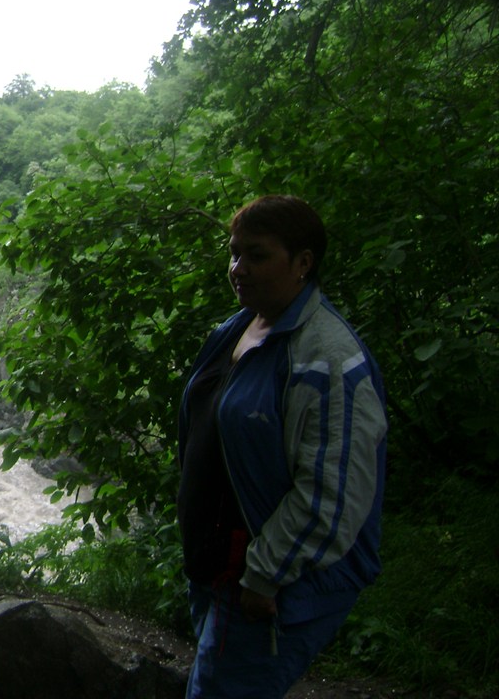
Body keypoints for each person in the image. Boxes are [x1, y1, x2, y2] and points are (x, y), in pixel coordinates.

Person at [176, 194, 387, 698]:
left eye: (257, 255)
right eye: (234, 253)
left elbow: (332, 493)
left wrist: (264, 574)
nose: (238, 268)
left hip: (269, 582)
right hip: (220, 566)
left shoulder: (328, 360)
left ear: (303, 262)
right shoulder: (241, 326)